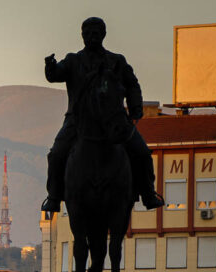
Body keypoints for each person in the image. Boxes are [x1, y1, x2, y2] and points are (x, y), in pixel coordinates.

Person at [41, 17, 164, 213]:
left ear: (103, 35)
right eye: (87, 33)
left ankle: (148, 193)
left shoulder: (116, 61)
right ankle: (54, 197)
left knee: (141, 152)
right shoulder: (73, 60)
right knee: (56, 154)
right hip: (78, 120)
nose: (91, 37)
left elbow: (132, 85)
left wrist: (135, 110)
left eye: (95, 33)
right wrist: (51, 67)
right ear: (82, 36)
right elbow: (56, 74)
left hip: (114, 120)